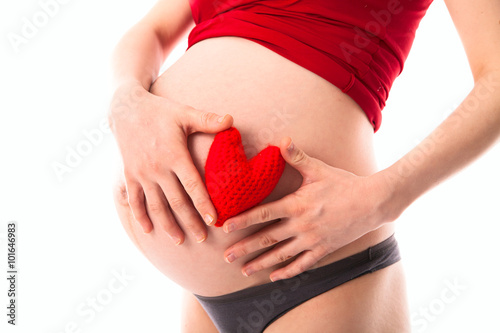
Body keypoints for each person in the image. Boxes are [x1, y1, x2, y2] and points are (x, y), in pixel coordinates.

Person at [108, 0, 500, 332]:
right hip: (200, 293)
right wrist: (126, 100)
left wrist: (384, 198)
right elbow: (154, 31)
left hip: (325, 274)